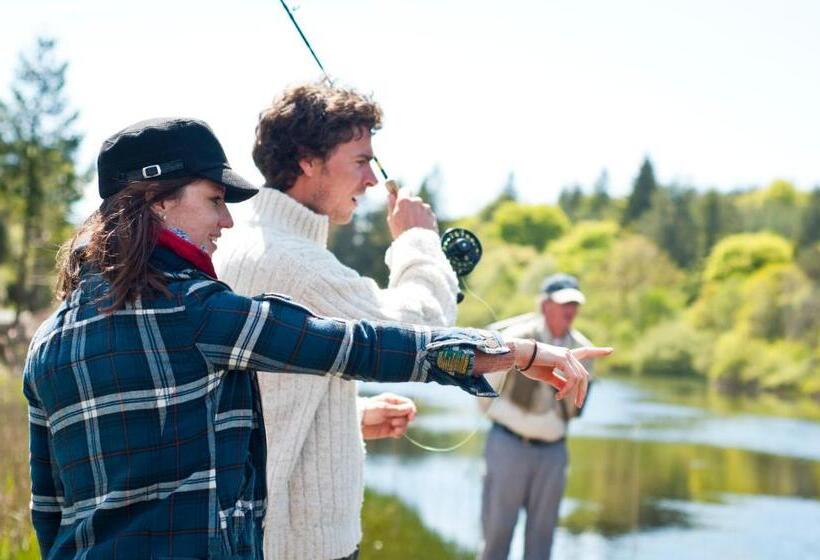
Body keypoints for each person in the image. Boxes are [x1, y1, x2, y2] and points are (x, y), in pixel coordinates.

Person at [23, 117, 606, 559]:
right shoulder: (199, 311)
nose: (226, 222)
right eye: (215, 200)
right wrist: (522, 352)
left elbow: (50, 511)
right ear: (155, 202)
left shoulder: (49, 340)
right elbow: (366, 344)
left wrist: (347, 421)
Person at [213, 82, 457, 560]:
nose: (371, 179)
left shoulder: (246, 241)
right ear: (307, 159)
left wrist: (348, 418)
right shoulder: (293, 261)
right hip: (295, 547)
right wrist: (418, 241)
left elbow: (267, 397)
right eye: (361, 160)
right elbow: (423, 330)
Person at [479, 273, 594, 560]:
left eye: (574, 305)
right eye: (563, 303)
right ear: (545, 306)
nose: (570, 311)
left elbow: (577, 409)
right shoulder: (516, 338)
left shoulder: (584, 351)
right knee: (496, 534)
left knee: (542, 540)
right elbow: (483, 393)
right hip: (507, 445)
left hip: (554, 453)